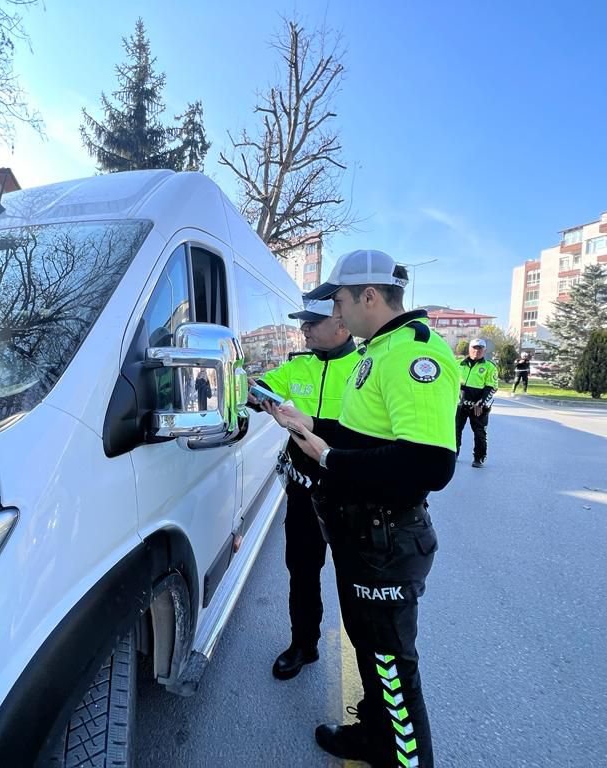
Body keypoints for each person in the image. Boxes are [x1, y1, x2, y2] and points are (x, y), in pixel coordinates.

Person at [261, 249, 457, 768]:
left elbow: (429, 464)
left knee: (392, 672)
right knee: (371, 656)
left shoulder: (416, 354)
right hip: (362, 535)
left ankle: (402, 756)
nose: (337, 313)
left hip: (386, 540)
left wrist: (328, 455)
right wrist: (310, 429)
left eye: (340, 301)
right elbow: (362, 436)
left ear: (369, 296)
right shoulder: (380, 349)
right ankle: (374, 737)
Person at [247, 299, 358, 681]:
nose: (305, 328)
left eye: (314, 321)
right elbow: (260, 390)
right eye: (303, 321)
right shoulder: (297, 365)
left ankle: (368, 664)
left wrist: (311, 424)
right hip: (303, 492)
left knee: (354, 581)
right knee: (302, 572)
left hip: (350, 496)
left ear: (342, 323)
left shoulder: (365, 368)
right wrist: (257, 395)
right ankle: (304, 644)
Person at [456, 338, 499, 468]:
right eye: (474, 348)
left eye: (480, 348)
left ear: (484, 350)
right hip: (460, 404)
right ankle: (453, 454)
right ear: (469, 349)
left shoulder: (489, 367)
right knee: (454, 431)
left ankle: (479, 458)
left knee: (480, 433)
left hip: (478, 406)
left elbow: (492, 387)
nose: (477, 351)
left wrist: (481, 402)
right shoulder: (458, 364)